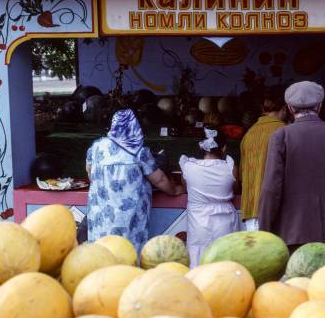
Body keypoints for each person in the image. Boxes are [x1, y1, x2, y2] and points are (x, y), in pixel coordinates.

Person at [258, 81, 325, 252]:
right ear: (320, 106)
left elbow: (272, 188)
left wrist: (265, 231)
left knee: (298, 279)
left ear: (290, 109)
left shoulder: (281, 136)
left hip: (293, 234)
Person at [86, 109, 181, 252]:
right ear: (135, 127)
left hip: (101, 214)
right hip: (129, 218)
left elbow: (89, 170)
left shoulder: (97, 147)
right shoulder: (139, 152)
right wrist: (174, 191)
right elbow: (159, 180)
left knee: (101, 253)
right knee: (127, 253)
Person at [179, 128, 240, 266]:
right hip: (225, 222)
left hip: (198, 222)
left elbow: (185, 187)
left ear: (201, 147)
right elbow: (235, 189)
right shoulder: (231, 167)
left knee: (198, 261)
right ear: (223, 148)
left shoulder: (188, 166)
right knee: (225, 261)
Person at [240, 87, 287, 231]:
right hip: (276, 212)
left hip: (250, 212)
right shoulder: (284, 131)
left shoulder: (249, 134)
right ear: (285, 109)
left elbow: (242, 176)